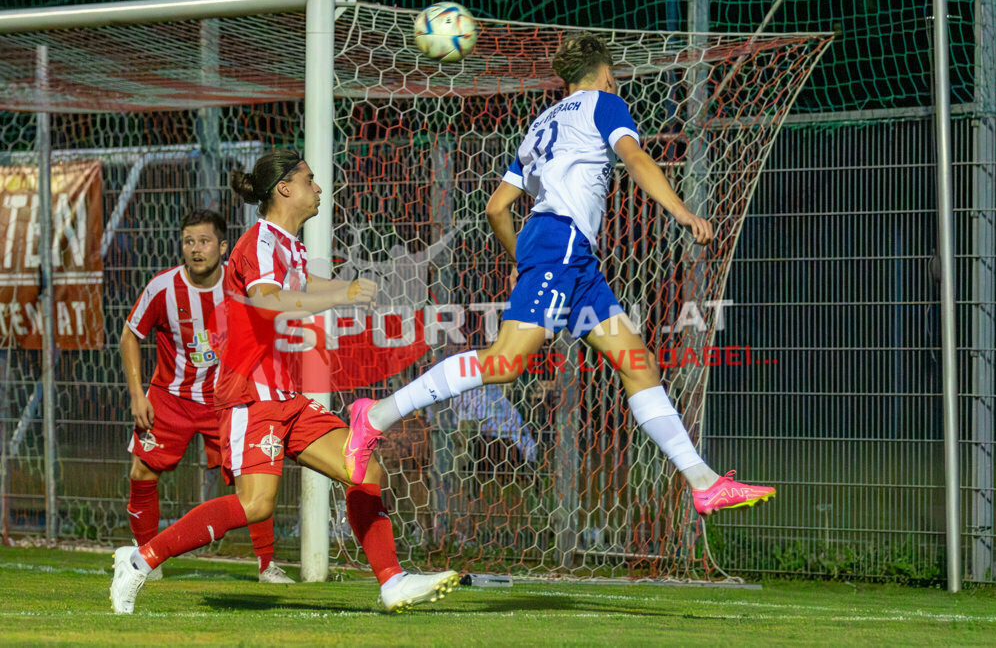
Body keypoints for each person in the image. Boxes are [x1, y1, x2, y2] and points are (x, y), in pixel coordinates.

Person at [343, 33, 776, 518]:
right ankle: (376, 415)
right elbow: (635, 158)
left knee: (637, 363)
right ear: (606, 73)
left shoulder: (540, 124)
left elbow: (496, 208)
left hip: (565, 255)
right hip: (562, 245)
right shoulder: (605, 103)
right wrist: (680, 211)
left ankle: (703, 481)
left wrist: (521, 260)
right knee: (506, 363)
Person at [110, 150, 458, 614]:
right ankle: (139, 560)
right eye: (310, 180)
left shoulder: (289, 245)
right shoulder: (258, 241)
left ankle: (392, 581)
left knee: (364, 468)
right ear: (285, 189)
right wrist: (342, 293)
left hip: (287, 398)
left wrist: (345, 290)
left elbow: (307, 288)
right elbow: (269, 301)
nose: (318, 188)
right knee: (255, 505)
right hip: (249, 396)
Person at [121, 208, 292, 584]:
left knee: (254, 475)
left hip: (228, 399)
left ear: (223, 246)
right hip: (171, 398)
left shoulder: (241, 282)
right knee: (141, 470)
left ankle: (267, 565)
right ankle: (148, 561)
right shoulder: (162, 288)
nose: (196, 249)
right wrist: (137, 394)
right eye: (189, 241)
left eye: (205, 241)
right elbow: (130, 334)